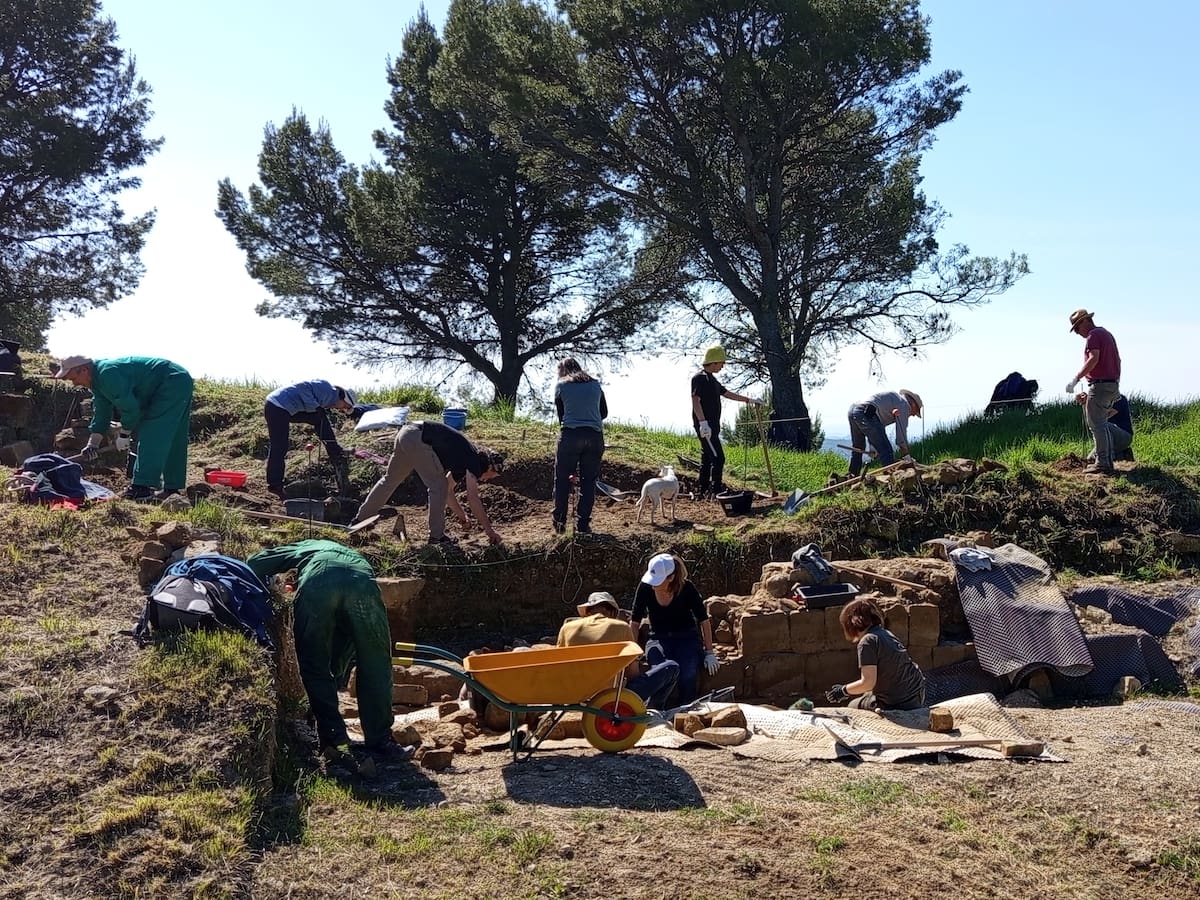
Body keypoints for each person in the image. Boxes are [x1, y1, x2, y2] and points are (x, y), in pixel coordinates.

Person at [246, 539, 396, 754]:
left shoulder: (305, 546)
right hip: (361, 581)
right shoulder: (346, 552)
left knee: (313, 660)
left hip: (318, 582)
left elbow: (256, 561)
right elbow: (342, 649)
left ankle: (334, 738)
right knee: (375, 660)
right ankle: (381, 740)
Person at [54, 355, 194, 501]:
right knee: (170, 434)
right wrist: (92, 444)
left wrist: (124, 434)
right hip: (174, 381)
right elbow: (102, 412)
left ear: (83, 370)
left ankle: (141, 488)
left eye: (73, 378)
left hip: (170, 381)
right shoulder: (97, 382)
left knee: (154, 433)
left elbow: (130, 408)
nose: (74, 383)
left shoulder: (107, 374)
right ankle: (171, 488)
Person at [351, 419, 504, 546]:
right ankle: (437, 537)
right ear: (489, 466)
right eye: (492, 475)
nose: (489, 479)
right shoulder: (474, 460)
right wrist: (489, 531)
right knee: (437, 486)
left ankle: (360, 519)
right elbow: (473, 499)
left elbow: (449, 492)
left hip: (406, 433)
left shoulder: (463, 461)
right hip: (419, 438)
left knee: (390, 480)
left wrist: (463, 517)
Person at [557, 591, 680, 710]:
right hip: (612, 698)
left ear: (588, 611)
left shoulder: (567, 628)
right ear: (612, 612)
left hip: (576, 695)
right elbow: (632, 673)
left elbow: (559, 665)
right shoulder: (621, 628)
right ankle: (653, 709)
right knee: (672, 667)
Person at [630, 552, 716, 705]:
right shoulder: (645, 588)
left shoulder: (687, 588)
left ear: (670, 578)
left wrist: (709, 652)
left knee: (688, 673)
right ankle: (654, 709)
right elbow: (635, 622)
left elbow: (703, 619)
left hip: (686, 637)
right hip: (658, 637)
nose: (653, 584)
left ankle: (686, 709)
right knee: (661, 670)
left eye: (657, 581)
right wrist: (633, 654)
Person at [826, 598, 925, 711]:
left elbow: (868, 683)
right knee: (867, 695)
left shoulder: (867, 642)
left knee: (853, 706)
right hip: (916, 694)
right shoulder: (885, 633)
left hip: (898, 702)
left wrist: (843, 691)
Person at [263, 380, 357, 500]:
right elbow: (302, 387)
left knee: (320, 419)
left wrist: (317, 409)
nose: (342, 409)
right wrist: (315, 407)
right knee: (280, 446)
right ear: (344, 398)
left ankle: (334, 450)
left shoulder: (329, 399)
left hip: (287, 408)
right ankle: (275, 485)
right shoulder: (327, 389)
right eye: (345, 406)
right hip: (277, 406)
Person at [690, 346, 762, 497]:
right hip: (706, 427)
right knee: (718, 458)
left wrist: (749, 400)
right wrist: (703, 423)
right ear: (714, 362)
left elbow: (727, 393)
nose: (723, 366)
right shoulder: (699, 378)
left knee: (707, 457)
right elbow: (695, 400)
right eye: (721, 363)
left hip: (712, 426)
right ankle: (716, 490)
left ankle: (702, 491)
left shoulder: (713, 380)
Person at [552, 358, 607, 535]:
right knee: (588, 482)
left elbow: (561, 416)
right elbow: (604, 412)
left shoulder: (561, 386)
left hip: (571, 435)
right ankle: (583, 524)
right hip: (594, 436)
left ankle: (560, 522)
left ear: (563, 370)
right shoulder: (596, 385)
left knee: (562, 480)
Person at [1066, 309, 1122, 476]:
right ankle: (1106, 461)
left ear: (1085, 321)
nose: (1077, 332)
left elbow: (1094, 358)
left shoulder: (1093, 336)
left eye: (1077, 328)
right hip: (1111, 385)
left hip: (1100, 385)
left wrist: (1076, 379)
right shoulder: (1106, 334)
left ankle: (1103, 463)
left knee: (1096, 424)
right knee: (1101, 423)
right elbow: (1117, 360)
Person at [845, 388, 923, 477]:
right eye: (915, 412)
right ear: (913, 404)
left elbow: (878, 427)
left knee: (858, 447)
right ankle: (891, 479)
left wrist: (873, 447)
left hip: (854, 410)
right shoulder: (904, 405)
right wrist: (907, 457)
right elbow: (901, 438)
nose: (913, 415)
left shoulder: (894, 399)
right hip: (865, 411)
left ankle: (852, 474)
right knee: (886, 450)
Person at [1077, 390, 1134, 463]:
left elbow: (1102, 417)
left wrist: (1090, 402)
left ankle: (1111, 458)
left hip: (1124, 436)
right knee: (1090, 459)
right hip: (1110, 439)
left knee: (1103, 425)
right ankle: (1122, 455)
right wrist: (1087, 403)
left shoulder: (1119, 399)